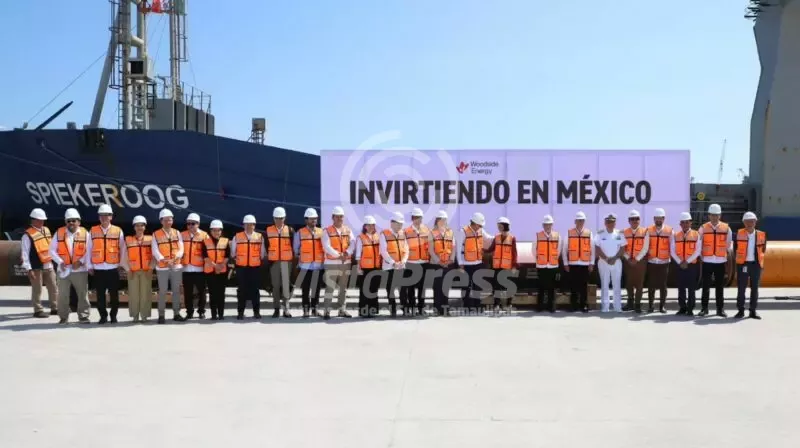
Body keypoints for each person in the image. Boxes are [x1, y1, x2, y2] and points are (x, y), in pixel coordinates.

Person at [49, 208, 91, 324]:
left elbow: (89, 250)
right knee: (62, 295)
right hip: (63, 270)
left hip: (80, 270)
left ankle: (83, 316)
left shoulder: (85, 234)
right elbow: (51, 250)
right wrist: (60, 262)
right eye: (68, 221)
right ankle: (63, 317)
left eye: (73, 220)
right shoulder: (59, 233)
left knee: (82, 294)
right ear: (65, 222)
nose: (71, 223)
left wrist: (81, 261)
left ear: (79, 221)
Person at [87, 204, 126, 324]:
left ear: (111, 217)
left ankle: (113, 316)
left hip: (113, 268)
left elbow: (122, 249)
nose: (104, 218)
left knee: (114, 295)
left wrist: (121, 264)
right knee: (100, 295)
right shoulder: (92, 231)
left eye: (107, 215)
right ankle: (103, 316)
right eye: (102, 215)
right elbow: (88, 249)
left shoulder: (118, 231)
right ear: (99, 217)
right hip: (98, 268)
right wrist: (89, 266)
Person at [20, 208, 58, 318]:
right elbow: (25, 253)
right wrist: (29, 269)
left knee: (53, 287)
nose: (42, 222)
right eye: (39, 220)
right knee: (37, 289)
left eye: (43, 220)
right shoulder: (27, 235)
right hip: (36, 267)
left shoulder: (46, 230)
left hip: (48, 264)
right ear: (33, 220)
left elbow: (51, 247)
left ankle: (55, 307)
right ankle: (38, 310)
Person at [698, 203, 732, 317]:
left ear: (720, 215)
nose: (714, 217)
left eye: (716, 215)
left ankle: (720, 309)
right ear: (709, 215)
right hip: (707, 261)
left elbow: (728, 244)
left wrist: (721, 254)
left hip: (720, 262)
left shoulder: (726, 228)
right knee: (705, 286)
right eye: (712, 215)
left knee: (719, 287)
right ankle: (704, 308)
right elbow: (699, 244)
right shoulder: (703, 228)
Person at [152, 208, 185, 324]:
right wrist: (165, 260)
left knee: (176, 291)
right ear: (161, 221)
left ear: (172, 220)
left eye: (170, 220)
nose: (168, 222)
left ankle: (176, 313)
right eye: (165, 220)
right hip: (162, 267)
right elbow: (155, 250)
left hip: (176, 266)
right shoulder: (156, 234)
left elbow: (181, 248)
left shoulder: (177, 233)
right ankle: (161, 315)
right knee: (163, 291)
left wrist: (175, 258)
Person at [321, 206, 354, 319]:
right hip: (331, 263)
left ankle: (342, 310)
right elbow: (326, 246)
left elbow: (353, 243)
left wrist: (347, 253)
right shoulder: (327, 231)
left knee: (343, 288)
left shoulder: (348, 230)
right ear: (332, 217)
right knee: (330, 287)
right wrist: (339, 255)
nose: (339, 218)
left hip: (345, 262)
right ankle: (327, 311)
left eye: (341, 216)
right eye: (337, 216)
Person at [457, 212, 494, 314]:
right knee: (466, 286)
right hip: (466, 264)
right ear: (474, 223)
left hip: (478, 263)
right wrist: (460, 264)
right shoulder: (463, 231)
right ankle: (467, 306)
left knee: (478, 285)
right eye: (480, 225)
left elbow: (489, 238)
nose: (481, 227)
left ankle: (477, 305)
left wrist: (499, 237)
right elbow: (458, 249)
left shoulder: (481, 231)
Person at [231, 214, 265, 319]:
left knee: (255, 290)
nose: (249, 226)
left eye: (251, 224)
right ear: (243, 225)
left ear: (254, 225)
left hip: (254, 268)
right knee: (242, 290)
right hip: (241, 267)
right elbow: (233, 253)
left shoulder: (260, 237)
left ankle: (256, 312)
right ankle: (240, 312)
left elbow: (262, 253)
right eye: (247, 224)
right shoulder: (237, 236)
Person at [734, 211, 766, 320]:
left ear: (755, 222)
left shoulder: (761, 235)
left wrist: (759, 263)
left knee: (755, 289)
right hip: (743, 264)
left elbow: (763, 249)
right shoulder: (739, 234)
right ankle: (740, 310)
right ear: (744, 222)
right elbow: (735, 249)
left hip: (756, 265)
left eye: (751, 221)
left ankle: (753, 311)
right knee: (741, 288)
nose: (749, 224)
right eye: (747, 221)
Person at [123, 215, 154, 322]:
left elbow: (154, 255)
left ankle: (144, 316)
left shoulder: (151, 239)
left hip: (146, 271)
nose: (139, 228)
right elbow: (123, 256)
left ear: (145, 227)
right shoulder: (128, 240)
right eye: (137, 225)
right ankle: (135, 315)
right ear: (134, 227)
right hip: (132, 272)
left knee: (145, 294)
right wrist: (128, 270)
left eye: (142, 225)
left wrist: (151, 268)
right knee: (133, 294)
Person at [294, 208, 325, 318]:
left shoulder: (321, 232)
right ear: (306, 220)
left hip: (318, 265)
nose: (314, 221)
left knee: (316, 289)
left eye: (315, 218)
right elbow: (296, 249)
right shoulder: (300, 233)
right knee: (305, 289)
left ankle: (315, 309)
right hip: (305, 266)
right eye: (311, 219)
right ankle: (306, 310)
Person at [563, 211, 595, 312]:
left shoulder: (589, 233)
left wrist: (592, 263)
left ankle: (584, 305)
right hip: (573, 264)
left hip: (585, 264)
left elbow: (592, 249)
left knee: (584, 286)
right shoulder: (569, 233)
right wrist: (565, 263)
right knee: (573, 286)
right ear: (575, 221)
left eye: (582, 220)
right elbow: (564, 249)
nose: (580, 222)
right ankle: (573, 305)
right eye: (578, 220)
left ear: (584, 221)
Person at [594, 213, 627, 313]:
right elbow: (597, 248)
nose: (610, 224)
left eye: (612, 222)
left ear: (615, 223)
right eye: (608, 222)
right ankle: (605, 306)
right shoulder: (600, 234)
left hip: (616, 262)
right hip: (604, 262)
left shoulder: (619, 234)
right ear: (605, 223)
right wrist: (606, 259)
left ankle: (617, 306)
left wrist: (614, 258)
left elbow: (623, 248)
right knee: (604, 284)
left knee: (617, 284)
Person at [266, 206, 294, 318]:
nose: (279, 220)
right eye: (277, 218)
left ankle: (286, 309)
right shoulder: (268, 230)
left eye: (281, 218)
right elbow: (266, 246)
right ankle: (276, 309)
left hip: (287, 262)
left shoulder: (290, 230)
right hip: (274, 263)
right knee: (276, 287)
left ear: (284, 218)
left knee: (286, 286)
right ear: (273, 218)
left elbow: (294, 246)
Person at [671, 212, 701, 316]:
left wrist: (687, 261)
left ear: (691, 223)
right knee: (681, 287)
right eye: (683, 222)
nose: (685, 224)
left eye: (687, 222)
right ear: (680, 224)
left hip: (691, 265)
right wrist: (680, 262)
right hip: (680, 265)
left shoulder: (696, 234)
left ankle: (690, 308)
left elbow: (698, 250)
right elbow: (672, 250)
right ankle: (682, 308)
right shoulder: (675, 235)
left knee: (691, 288)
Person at [380, 212, 409, 317]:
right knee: (390, 290)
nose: (400, 226)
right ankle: (393, 310)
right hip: (389, 267)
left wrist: (404, 261)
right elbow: (383, 251)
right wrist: (393, 263)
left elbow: (406, 249)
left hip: (401, 266)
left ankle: (405, 309)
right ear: (392, 223)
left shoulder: (403, 233)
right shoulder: (384, 234)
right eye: (398, 223)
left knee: (403, 289)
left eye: (401, 224)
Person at [403, 208, 431, 316]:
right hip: (411, 262)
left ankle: (421, 307)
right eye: (415, 218)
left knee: (422, 287)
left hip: (424, 262)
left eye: (419, 218)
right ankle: (412, 307)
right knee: (410, 287)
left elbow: (430, 245)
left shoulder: (427, 230)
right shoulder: (406, 231)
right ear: (412, 218)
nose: (418, 220)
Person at [181, 213, 209, 319]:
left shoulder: (204, 235)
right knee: (187, 293)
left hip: (200, 269)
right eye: (188, 224)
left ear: (198, 224)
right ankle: (189, 312)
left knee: (202, 292)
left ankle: (201, 311)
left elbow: (209, 252)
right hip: (186, 269)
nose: (190, 226)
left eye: (193, 223)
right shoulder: (182, 235)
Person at [644, 208, 672, 313]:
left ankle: (662, 306)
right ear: (654, 219)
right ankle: (651, 305)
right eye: (656, 218)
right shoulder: (649, 230)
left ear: (663, 219)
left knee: (663, 285)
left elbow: (672, 246)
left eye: (660, 218)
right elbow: (646, 246)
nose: (658, 220)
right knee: (651, 285)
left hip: (664, 262)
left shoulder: (669, 231)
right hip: (652, 261)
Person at [488, 216, 518, 311]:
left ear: (505, 226)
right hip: (497, 266)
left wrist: (514, 266)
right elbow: (491, 249)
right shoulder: (496, 237)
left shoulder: (512, 238)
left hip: (507, 267)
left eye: (500, 226)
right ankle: (497, 304)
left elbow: (514, 253)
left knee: (508, 286)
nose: (498, 227)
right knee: (496, 286)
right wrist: (482, 250)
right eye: (498, 226)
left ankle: (509, 304)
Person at [532, 214, 561, 313]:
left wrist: (553, 259)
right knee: (541, 287)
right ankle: (540, 306)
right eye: (545, 224)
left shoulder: (557, 236)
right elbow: (533, 250)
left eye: (549, 224)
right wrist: (539, 259)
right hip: (541, 265)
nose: (547, 226)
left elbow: (558, 250)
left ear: (552, 225)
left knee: (552, 288)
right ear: (543, 225)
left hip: (553, 266)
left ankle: (551, 306)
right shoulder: (537, 235)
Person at [428, 210, 455, 316]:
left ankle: (445, 308)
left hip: (447, 264)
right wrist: (439, 261)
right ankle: (437, 308)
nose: (443, 221)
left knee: (446, 287)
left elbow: (453, 247)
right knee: (437, 287)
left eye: (445, 219)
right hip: (436, 264)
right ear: (437, 220)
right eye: (441, 219)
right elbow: (431, 250)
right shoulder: (432, 233)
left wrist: (451, 259)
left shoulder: (450, 232)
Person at [354, 215, 381, 317]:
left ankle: (373, 310)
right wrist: (358, 267)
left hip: (376, 267)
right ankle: (364, 311)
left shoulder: (378, 236)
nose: (371, 227)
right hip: (365, 268)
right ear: (365, 226)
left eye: (373, 225)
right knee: (364, 290)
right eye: (369, 225)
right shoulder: (360, 237)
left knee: (374, 289)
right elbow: (358, 254)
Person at [203, 219, 230, 320]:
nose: (216, 232)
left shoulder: (225, 241)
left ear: (221, 231)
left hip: (222, 271)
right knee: (212, 293)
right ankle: (214, 315)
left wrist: (221, 266)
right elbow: (205, 257)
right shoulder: (205, 241)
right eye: (214, 230)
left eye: (218, 230)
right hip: (210, 271)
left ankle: (221, 314)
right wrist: (215, 266)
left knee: (221, 293)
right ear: (210, 231)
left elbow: (227, 256)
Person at [622, 209, 648, 313]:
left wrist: (636, 259)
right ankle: (630, 303)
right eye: (632, 219)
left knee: (639, 283)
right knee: (629, 283)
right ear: (629, 220)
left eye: (636, 219)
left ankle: (637, 304)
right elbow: (622, 248)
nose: (634, 221)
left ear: (639, 220)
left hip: (640, 261)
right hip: (628, 261)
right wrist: (628, 258)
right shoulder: (624, 232)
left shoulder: (645, 232)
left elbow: (645, 248)